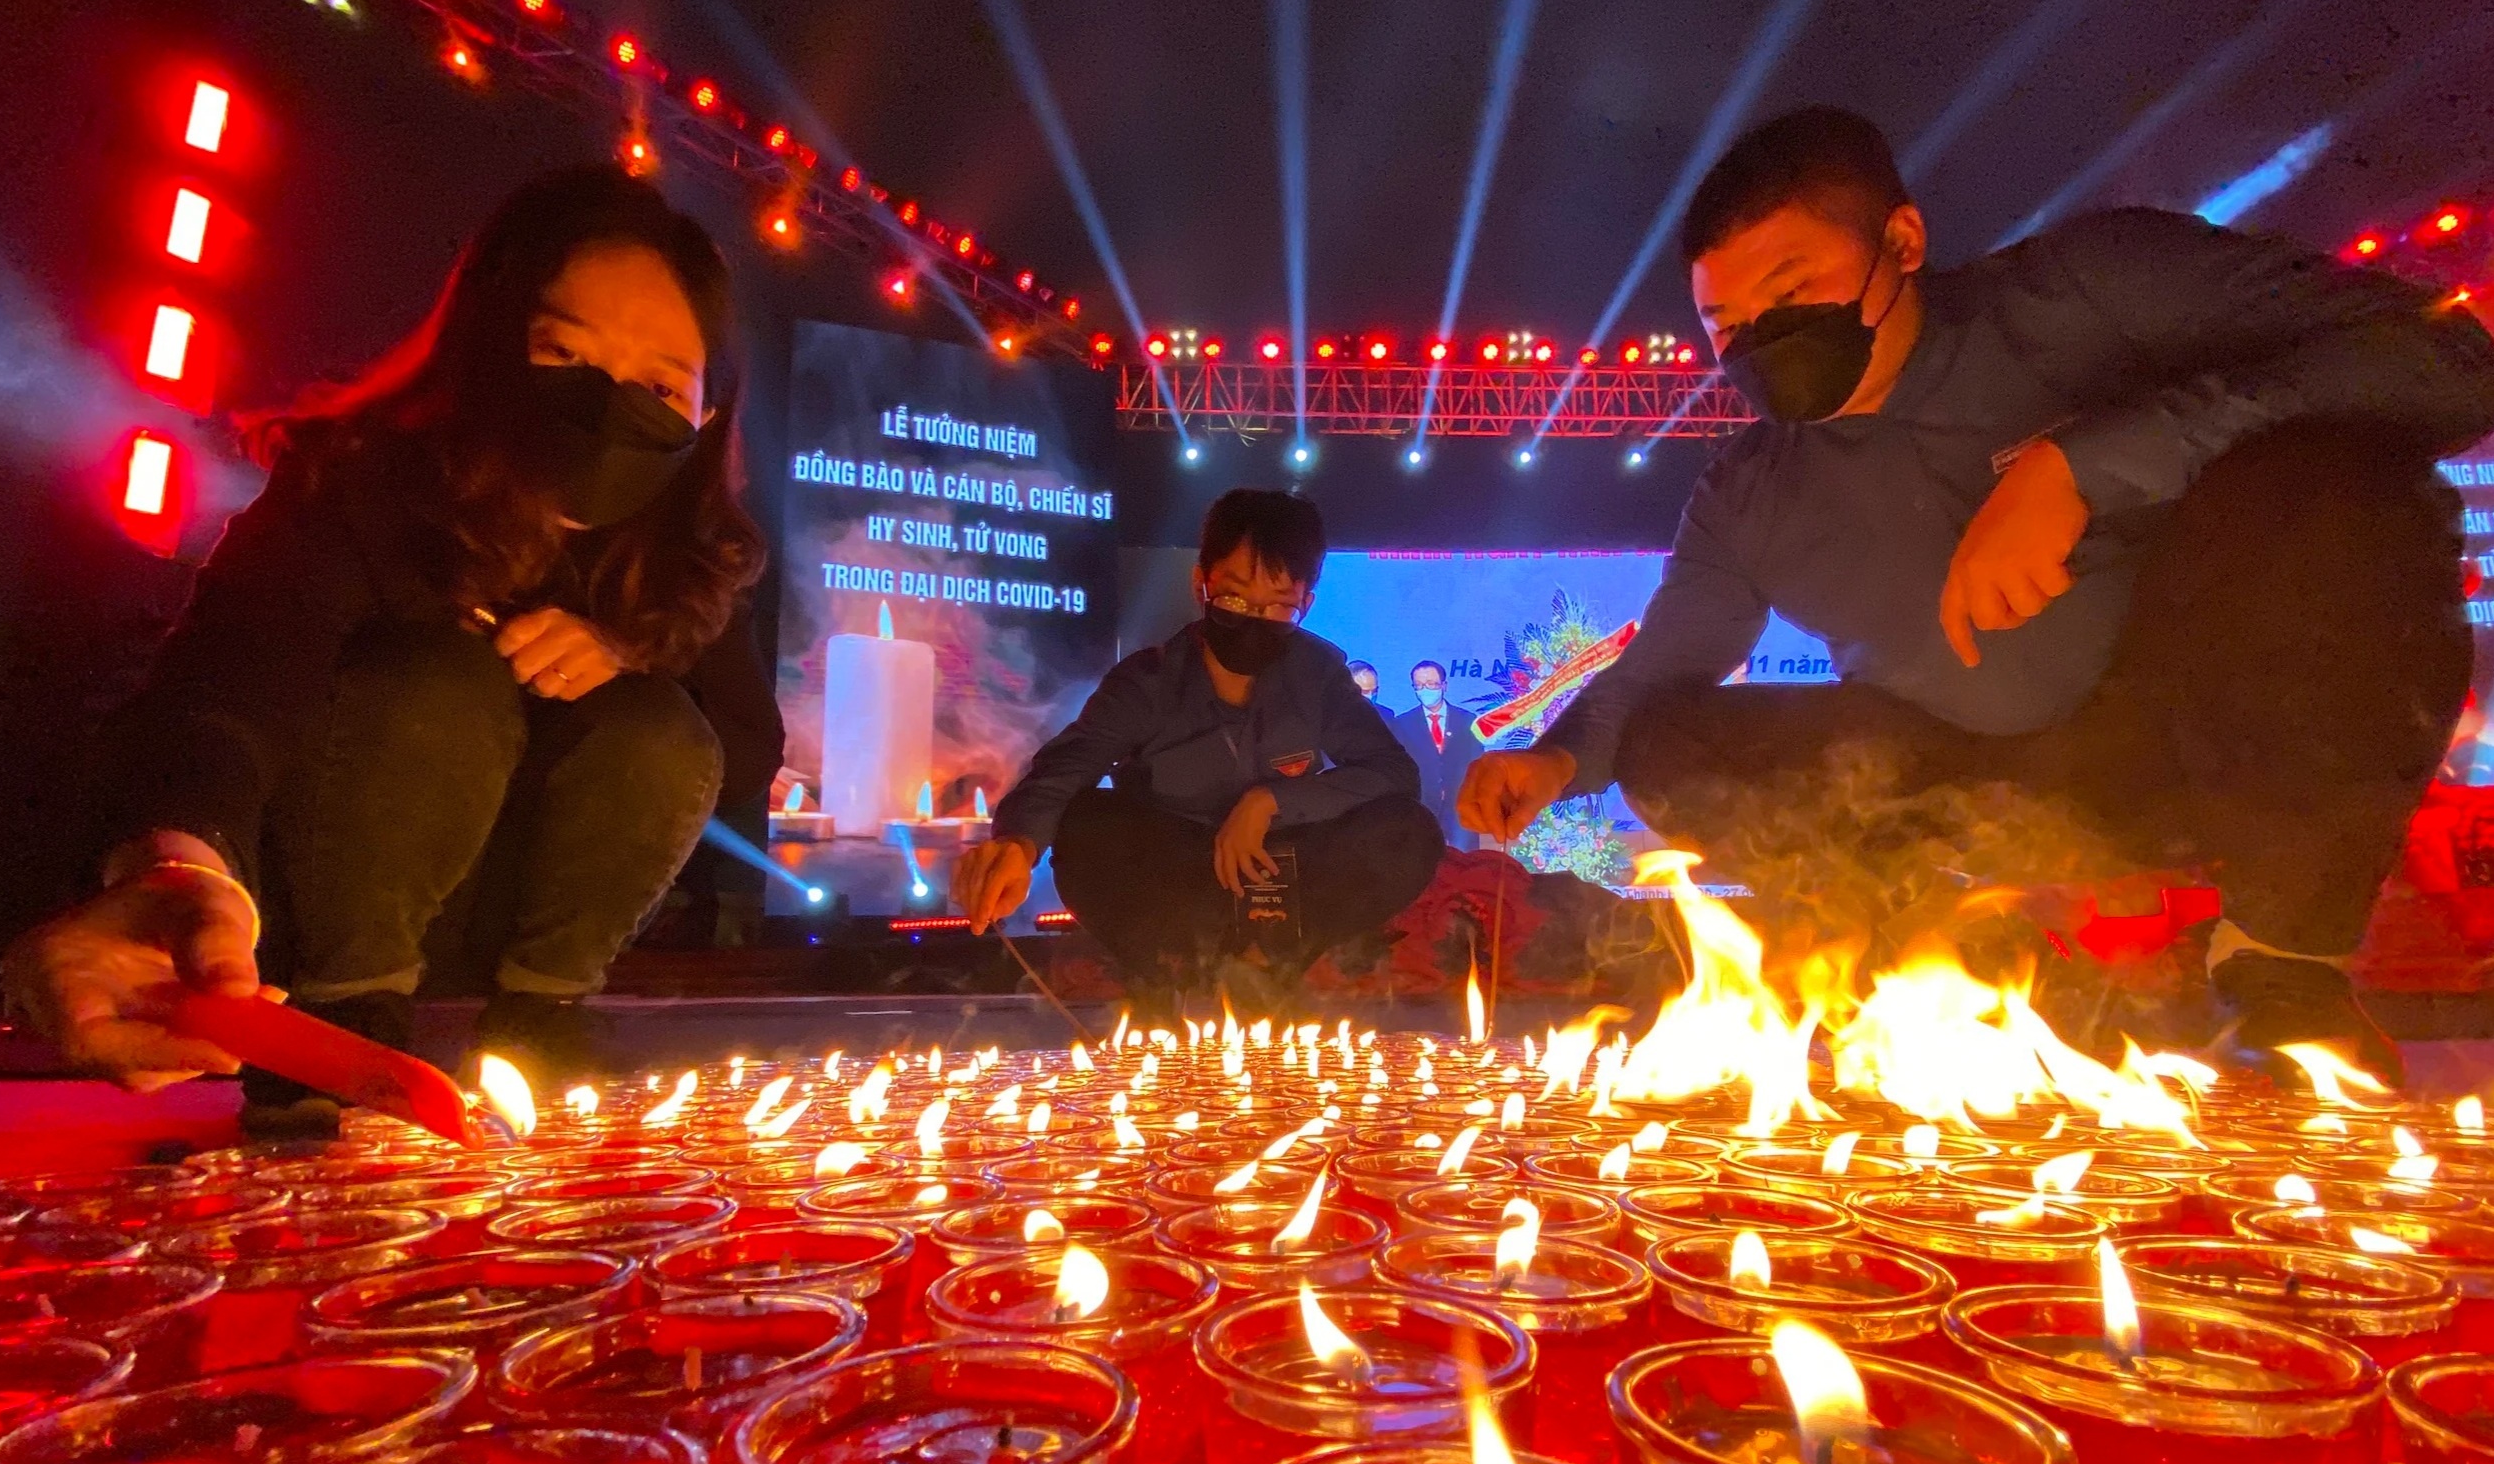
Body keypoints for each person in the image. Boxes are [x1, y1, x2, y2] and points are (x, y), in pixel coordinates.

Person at [1459, 105, 2494, 1083]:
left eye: (1791, 287)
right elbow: (1664, 665)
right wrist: (1555, 751)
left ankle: (2279, 966)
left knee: (2350, 489)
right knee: (1674, 742)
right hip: (1961, 793)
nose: (1760, 341)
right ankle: (1939, 961)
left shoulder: (2085, 295)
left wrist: (2088, 463)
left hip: (2189, 736)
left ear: (1901, 241)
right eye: (1726, 322)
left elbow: (2446, 361)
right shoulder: (1750, 488)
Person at [2, 166, 780, 1110]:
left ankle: (546, 1019)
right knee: (437, 685)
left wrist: (628, 655)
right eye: (563, 352)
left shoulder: (687, 557)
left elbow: (740, 752)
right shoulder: (358, 486)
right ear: (487, 347)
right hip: (319, 921)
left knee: (657, 725)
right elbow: (225, 688)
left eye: (659, 384)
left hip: (521, 938)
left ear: (705, 414)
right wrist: (176, 866)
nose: (610, 402)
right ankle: (344, 1039)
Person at [953, 490, 1440, 1010]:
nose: (1255, 619)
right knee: (1086, 824)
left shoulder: (1316, 672)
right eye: (1233, 598)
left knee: (1405, 832)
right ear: (1200, 584)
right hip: (1183, 881)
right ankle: (1180, 973)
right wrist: (1018, 844)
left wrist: (1270, 802)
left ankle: (1283, 961)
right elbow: (1068, 767)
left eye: (1279, 605)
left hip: (1291, 875)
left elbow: (1391, 773)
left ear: (1307, 604)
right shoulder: (1149, 681)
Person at [1402, 660, 1481, 852]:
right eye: (1419, 685)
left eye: (1431, 684)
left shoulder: (1468, 721)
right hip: (1421, 808)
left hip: (1460, 808)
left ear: (1444, 685)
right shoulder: (1403, 724)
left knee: (1463, 866)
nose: (1425, 689)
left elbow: (1477, 765)